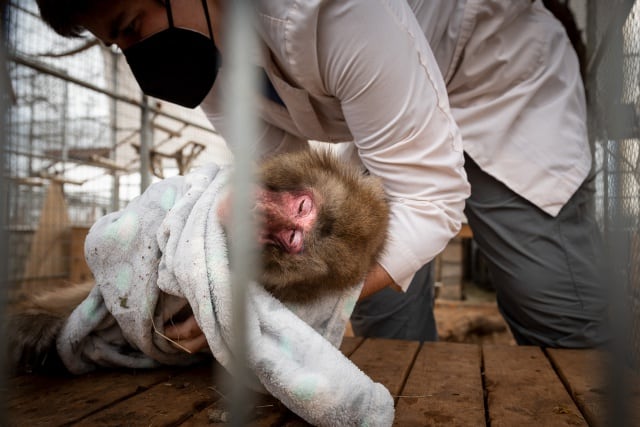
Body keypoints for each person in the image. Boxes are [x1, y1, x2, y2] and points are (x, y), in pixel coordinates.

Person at [35, 0, 609, 348]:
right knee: (382, 306)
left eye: (133, 24)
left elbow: (431, 199)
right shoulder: (201, 61)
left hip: (495, 84)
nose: (138, 55)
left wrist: (257, 308)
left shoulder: (323, 8)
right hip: (385, 120)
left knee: (554, 304)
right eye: (117, 45)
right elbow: (288, 180)